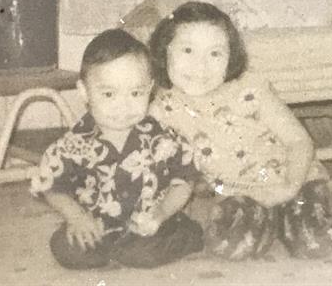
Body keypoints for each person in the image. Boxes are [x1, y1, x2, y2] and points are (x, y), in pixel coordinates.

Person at [148, 1, 332, 260]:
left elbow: (299, 141)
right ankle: (273, 222)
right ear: (164, 51)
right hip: (241, 194)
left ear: (230, 57)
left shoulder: (250, 89)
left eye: (215, 54)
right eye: (188, 50)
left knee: (312, 242)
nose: (201, 66)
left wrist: (289, 187)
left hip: (295, 180)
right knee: (227, 246)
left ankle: (331, 212)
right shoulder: (162, 107)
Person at [31, 29, 203, 269]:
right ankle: (113, 249)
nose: (123, 105)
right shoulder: (72, 144)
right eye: (109, 94)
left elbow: (184, 181)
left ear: (150, 89)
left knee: (144, 255)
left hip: (150, 225)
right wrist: (77, 218)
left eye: (135, 93)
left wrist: (161, 213)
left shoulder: (163, 139)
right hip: (97, 226)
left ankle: (189, 234)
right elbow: (51, 186)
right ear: (84, 92)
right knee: (65, 248)